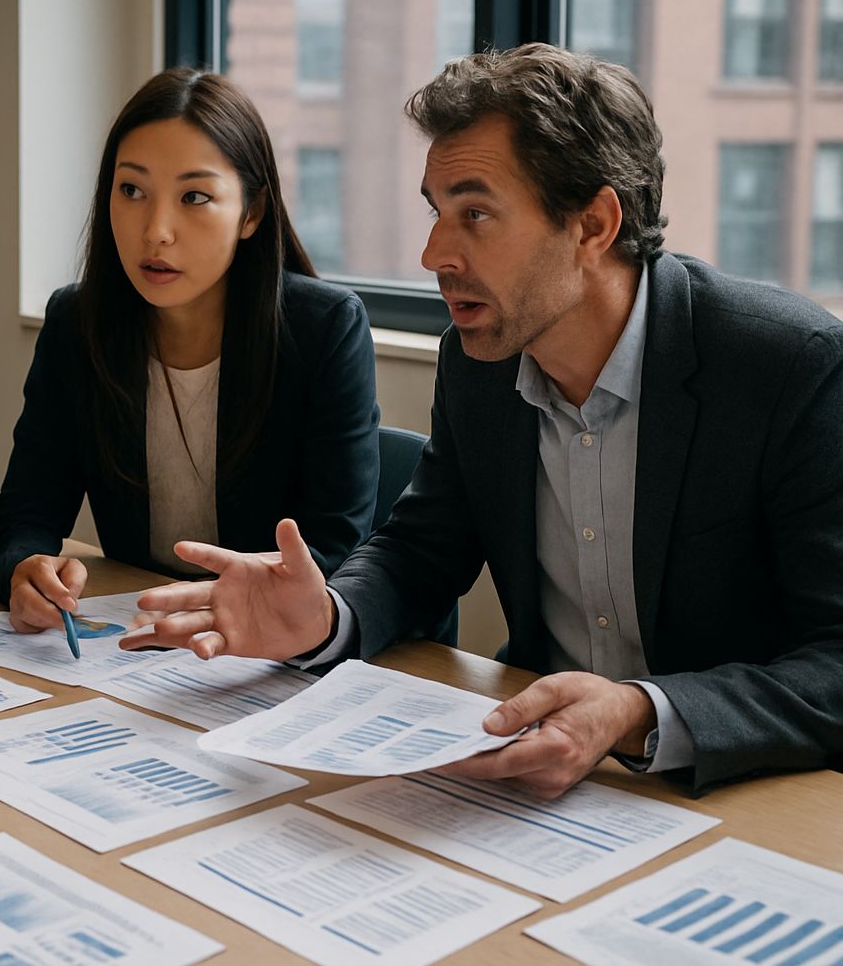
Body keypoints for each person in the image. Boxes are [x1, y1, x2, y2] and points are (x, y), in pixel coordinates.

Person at [126, 44, 843, 798]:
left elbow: (834, 660)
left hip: (737, 790)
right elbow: (422, 550)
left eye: (475, 214)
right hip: (531, 774)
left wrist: (639, 712)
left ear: (594, 223)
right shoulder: (480, 363)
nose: (434, 253)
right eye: (437, 212)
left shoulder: (787, 365)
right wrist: (327, 618)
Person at [0, 68, 379, 633]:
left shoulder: (324, 330)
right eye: (132, 190)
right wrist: (26, 570)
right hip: (140, 639)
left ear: (251, 213)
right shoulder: (78, 323)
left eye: (194, 196)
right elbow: (27, 510)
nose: (156, 231)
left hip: (271, 644)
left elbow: (334, 546)